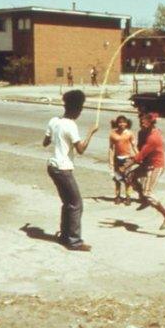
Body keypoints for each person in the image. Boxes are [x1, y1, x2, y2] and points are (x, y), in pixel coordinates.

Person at [43, 90, 98, 251]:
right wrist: (90, 133)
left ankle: (65, 236)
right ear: (77, 108)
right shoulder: (71, 125)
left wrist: (56, 137)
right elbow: (81, 149)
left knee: (68, 203)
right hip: (63, 168)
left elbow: (45, 142)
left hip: (52, 166)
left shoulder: (54, 120)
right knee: (76, 204)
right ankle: (74, 241)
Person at [124, 112, 165, 230]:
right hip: (147, 163)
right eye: (141, 121)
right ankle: (144, 199)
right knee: (130, 176)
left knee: (148, 192)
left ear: (151, 123)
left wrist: (126, 165)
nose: (142, 124)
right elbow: (139, 149)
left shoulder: (154, 137)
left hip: (155, 166)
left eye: (145, 122)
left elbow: (140, 156)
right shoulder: (142, 133)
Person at [109, 115, 136, 205]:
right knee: (117, 179)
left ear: (127, 123)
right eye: (120, 122)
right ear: (117, 123)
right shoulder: (113, 133)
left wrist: (139, 156)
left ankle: (128, 197)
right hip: (117, 158)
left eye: (124, 122)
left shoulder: (130, 133)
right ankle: (117, 196)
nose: (122, 124)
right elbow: (111, 148)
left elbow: (134, 146)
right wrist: (111, 161)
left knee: (128, 179)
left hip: (127, 159)